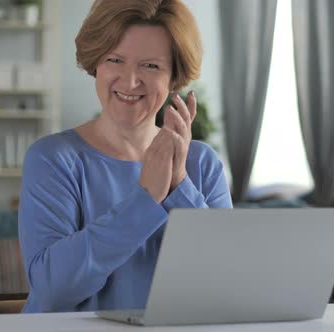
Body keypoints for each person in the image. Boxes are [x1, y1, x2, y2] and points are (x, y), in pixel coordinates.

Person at [18, 0, 232, 313]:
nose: (130, 81)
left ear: (174, 78)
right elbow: (52, 291)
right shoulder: (52, 159)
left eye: (151, 66)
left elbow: (227, 284)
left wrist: (179, 184)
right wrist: (146, 199)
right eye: (115, 60)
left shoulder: (201, 164)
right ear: (95, 64)